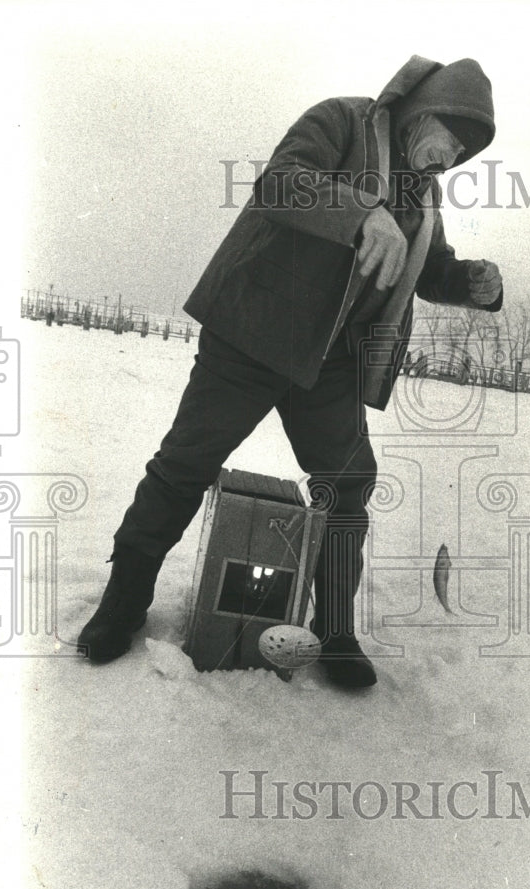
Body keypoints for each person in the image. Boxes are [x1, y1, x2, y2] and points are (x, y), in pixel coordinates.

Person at [77, 54, 503, 689]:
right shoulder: (342, 122)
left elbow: (430, 268)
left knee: (348, 482)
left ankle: (334, 628)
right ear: (424, 111)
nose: (454, 155)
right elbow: (280, 182)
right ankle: (123, 601)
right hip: (253, 332)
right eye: (453, 135)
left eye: (466, 151)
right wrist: (362, 212)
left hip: (330, 364)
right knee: (186, 462)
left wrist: (470, 282)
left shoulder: (423, 196)